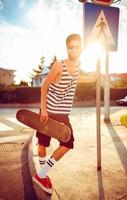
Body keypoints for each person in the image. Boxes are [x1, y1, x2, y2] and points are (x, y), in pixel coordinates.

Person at [33, 33, 96, 194]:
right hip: (48, 111)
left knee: (68, 143)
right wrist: (44, 110)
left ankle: (41, 174)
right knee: (43, 144)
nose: (74, 49)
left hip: (62, 113)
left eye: (77, 46)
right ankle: (42, 175)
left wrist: (93, 79)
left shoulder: (78, 65)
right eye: (70, 47)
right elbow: (44, 87)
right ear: (67, 48)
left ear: (81, 48)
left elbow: (75, 79)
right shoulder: (58, 65)